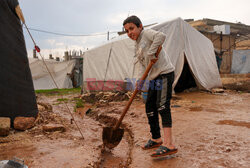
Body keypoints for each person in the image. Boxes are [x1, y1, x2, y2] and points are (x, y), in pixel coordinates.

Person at [123, 15, 177, 157]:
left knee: (162, 106)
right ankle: (156, 139)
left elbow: (161, 36)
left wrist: (152, 51)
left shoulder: (147, 34)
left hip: (165, 73)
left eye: (131, 28)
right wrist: (140, 80)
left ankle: (169, 144)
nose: (129, 33)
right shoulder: (136, 45)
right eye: (127, 31)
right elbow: (142, 64)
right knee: (150, 106)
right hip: (154, 77)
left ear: (140, 26)